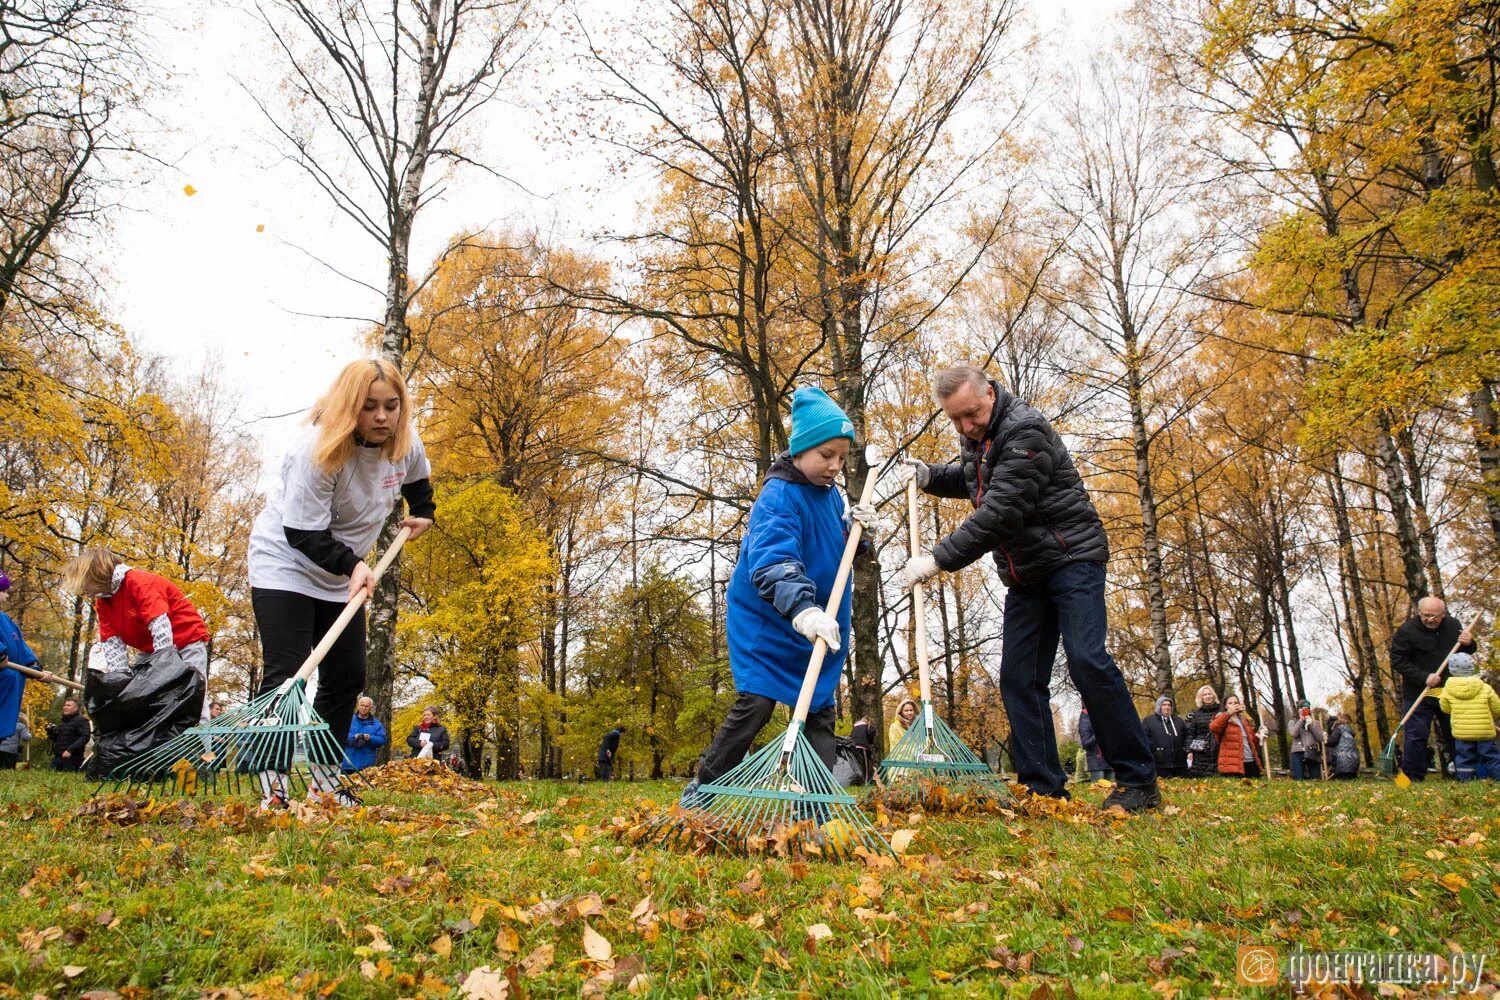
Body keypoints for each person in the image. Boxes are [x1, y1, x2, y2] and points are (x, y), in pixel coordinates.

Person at [896, 366, 1159, 811]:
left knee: (1088, 661)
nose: (965, 427)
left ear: (991, 394)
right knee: (1019, 678)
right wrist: (929, 477)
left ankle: (1137, 780)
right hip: (1026, 575)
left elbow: (1000, 510)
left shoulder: (1025, 430)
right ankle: (1042, 786)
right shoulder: (979, 438)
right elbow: (974, 478)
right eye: (955, 420)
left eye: (972, 415)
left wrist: (938, 559)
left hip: (1072, 559)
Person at [247, 359, 434, 807]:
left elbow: (420, 485)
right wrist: (353, 565)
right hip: (285, 564)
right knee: (286, 677)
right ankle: (273, 786)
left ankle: (324, 780)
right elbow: (302, 533)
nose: (383, 417)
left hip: (344, 573)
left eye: (391, 406)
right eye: (369, 407)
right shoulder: (318, 452)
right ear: (350, 407)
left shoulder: (403, 443)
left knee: (347, 676)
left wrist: (424, 512)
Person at [681, 387, 879, 806]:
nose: (835, 466)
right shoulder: (778, 496)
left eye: (842, 458)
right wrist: (803, 609)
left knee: (820, 710)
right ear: (802, 447)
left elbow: (831, 552)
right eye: (827, 454)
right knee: (756, 702)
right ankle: (704, 789)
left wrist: (856, 537)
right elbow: (773, 562)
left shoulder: (832, 496)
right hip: (770, 618)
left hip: (818, 620)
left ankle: (815, 805)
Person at [60, 549, 212, 715]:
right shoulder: (103, 602)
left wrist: (163, 668)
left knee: (192, 696)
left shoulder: (138, 582)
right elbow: (113, 645)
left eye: (83, 583)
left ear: (96, 573)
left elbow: (160, 626)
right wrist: (120, 682)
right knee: (141, 695)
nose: (83, 590)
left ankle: (198, 737)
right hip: (149, 649)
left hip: (185, 640)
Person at [1389, 597, 1473, 783]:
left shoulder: (1453, 625)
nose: (1430, 619)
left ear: (1443, 614)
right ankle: (1411, 778)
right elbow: (1398, 661)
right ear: (1419, 613)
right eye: (1426, 615)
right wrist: (1423, 676)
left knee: (1456, 732)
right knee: (1416, 735)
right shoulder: (1406, 631)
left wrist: (1469, 643)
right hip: (1419, 692)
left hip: (1449, 691)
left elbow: (1464, 654)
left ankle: (1463, 774)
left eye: (1435, 616)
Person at [1438, 653, 1500, 782]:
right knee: (1491, 757)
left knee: (1465, 758)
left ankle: (1466, 781)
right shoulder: (1485, 688)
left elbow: (1445, 709)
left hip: (1462, 732)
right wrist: (1490, 718)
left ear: (1451, 670)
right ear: (1472, 668)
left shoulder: (1447, 690)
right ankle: (1498, 778)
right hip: (1484, 731)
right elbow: (1497, 708)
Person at [0, 571, 41, 761]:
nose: (7, 596)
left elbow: (20, 645)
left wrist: (33, 665)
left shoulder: (6, 620)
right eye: (4, 591)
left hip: (10, 684)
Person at [1209, 695, 1263, 778]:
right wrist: (1229, 713)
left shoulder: (1244, 720)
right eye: (1230, 703)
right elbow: (1214, 727)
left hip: (1249, 761)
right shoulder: (1222, 717)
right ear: (1226, 706)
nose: (1234, 705)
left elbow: (1252, 741)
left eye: (1236, 703)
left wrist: (1260, 735)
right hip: (1232, 765)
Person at [1141, 695, 1187, 778]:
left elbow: (1186, 737)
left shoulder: (1179, 721)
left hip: (1179, 764)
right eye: (1164, 705)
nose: (1167, 707)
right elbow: (1144, 738)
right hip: (1159, 764)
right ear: (1159, 706)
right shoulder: (1148, 721)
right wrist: (1155, 749)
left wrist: (1184, 750)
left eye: (1169, 705)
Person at [343, 696, 388, 772]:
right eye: (362, 705)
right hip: (348, 763)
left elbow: (382, 739)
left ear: (370, 707)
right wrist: (354, 737)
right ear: (358, 706)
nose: (364, 708)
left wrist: (370, 738)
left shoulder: (376, 724)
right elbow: (340, 735)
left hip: (366, 765)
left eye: (366, 706)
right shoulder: (348, 720)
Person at [1183, 686, 1221, 777]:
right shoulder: (1196, 714)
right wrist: (1189, 750)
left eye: (1209, 694)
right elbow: (1191, 733)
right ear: (1201, 698)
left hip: (1217, 749)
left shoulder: (1221, 712)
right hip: (1200, 751)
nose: (1207, 696)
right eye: (1205, 694)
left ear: (1213, 696)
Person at [49, 698, 90, 771]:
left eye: (68, 705)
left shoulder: (82, 720)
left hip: (72, 759)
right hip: (58, 757)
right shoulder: (64, 721)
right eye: (65, 705)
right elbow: (59, 739)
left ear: (76, 708)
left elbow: (85, 737)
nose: (65, 707)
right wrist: (51, 733)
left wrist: (70, 750)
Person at [1288, 699, 1325, 780]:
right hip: (1297, 752)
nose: (1305, 710)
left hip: (1312, 751)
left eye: (1307, 708)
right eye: (1303, 708)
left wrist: (1310, 724)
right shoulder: (1292, 722)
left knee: (1315, 778)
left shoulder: (1315, 722)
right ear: (1298, 710)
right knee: (1299, 778)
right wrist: (1301, 720)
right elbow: (1294, 733)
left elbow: (1320, 738)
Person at [1078, 708, 1113, 781]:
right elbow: (1085, 743)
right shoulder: (1085, 717)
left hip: (1111, 762)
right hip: (1097, 763)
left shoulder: (1107, 715)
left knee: (1113, 790)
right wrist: (1099, 732)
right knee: (1098, 790)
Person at [1326, 713, 1361, 779]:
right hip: (1354, 762)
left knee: (1342, 778)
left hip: (1342, 762)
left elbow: (1331, 742)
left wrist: (1325, 740)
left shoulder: (1339, 729)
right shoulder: (1350, 731)